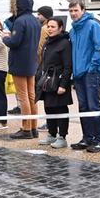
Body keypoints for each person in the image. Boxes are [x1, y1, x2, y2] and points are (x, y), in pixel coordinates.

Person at [68, 0, 100, 153]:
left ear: (83, 10)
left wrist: (92, 68)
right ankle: (87, 138)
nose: (73, 13)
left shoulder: (93, 25)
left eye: (76, 10)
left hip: (91, 73)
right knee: (83, 107)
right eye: (70, 11)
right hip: (78, 74)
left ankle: (98, 140)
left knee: (93, 106)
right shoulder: (73, 30)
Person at [3, 0, 41, 139]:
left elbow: (14, 42)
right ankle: (34, 127)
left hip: (19, 61)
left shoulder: (20, 21)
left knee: (23, 96)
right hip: (31, 61)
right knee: (31, 96)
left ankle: (26, 129)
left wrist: (5, 38)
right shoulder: (35, 21)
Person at [37, 18, 73, 148]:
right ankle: (51, 134)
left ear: (60, 28)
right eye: (48, 26)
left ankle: (62, 137)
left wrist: (63, 85)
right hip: (48, 82)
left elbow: (68, 66)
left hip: (59, 82)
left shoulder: (64, 44)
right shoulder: (47, 42)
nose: (50, 29)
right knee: (49, 108)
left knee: (61, 109)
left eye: (53, 27)